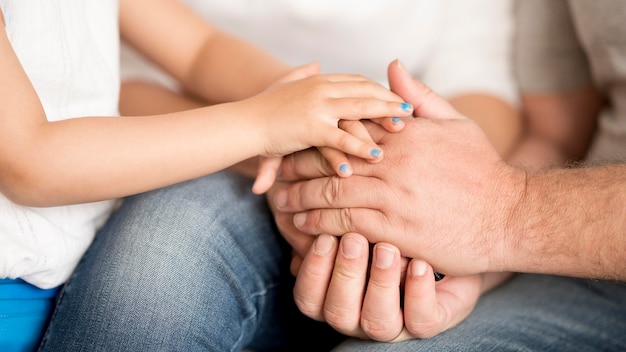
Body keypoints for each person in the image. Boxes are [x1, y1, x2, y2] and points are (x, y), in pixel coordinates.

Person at [0, 1, 415, 351]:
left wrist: (302, 98)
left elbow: (200, 50)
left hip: (82, 272)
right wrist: (266, 122)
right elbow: (32, 162)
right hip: (13, 301)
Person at [271, 1, 626, 350]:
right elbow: (557, 136)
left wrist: (504, 213)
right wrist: (459, 257)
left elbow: (508, 204)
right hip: (576, 272)